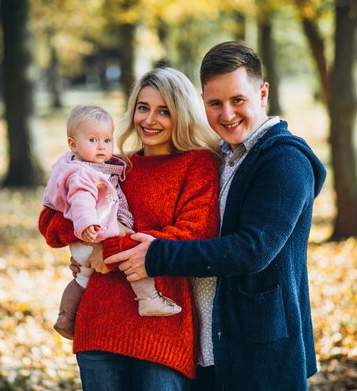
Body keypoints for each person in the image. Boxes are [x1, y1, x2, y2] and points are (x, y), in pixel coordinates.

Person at [104, 41, 327, 391]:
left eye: (238, 100)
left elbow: (253, 249)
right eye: (215, 103)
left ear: (262, 93)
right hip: (208, 343)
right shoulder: (218, 156)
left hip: (261, 350)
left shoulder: (284, 162)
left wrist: (158, 256)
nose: (226, 114)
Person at [39, 67, 221, 390]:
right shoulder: (113, 166)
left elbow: (192, 236)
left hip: (161, 328)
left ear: (180, 114)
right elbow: (52, 222)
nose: (150, 120)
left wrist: (105, 250)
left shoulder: (198, 165)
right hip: (99, 321)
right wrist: (88, 240)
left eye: (164, 111)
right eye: (143, 107)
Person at [42, 104, 183, 340]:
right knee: (134, 254)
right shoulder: (83, 173)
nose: (101, 146)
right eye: (93, 140)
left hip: (87, 240)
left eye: (107, 140)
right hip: (94, 232)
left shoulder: (86, 165)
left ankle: (66, 318)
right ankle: (149, 299)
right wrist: (87, 227)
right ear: (72, 144)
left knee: (82, 279)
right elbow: (80, 200)